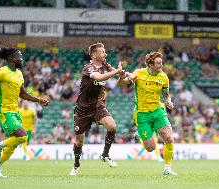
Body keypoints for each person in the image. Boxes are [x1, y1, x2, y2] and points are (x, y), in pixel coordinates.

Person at [0, 47, 49, 177]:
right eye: (20, 56)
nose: (22, 59)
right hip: (3, 110)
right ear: (12, 58)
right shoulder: (2, 72)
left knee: (14, 141)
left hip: (15, 110)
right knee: (23, 136)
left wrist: (38, 100)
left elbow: (22, 93)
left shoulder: (19, 73)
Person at [118, 52, 177, 176]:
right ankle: (139, 135)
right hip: (142, 114)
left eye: (161, 62)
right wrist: (125, 77)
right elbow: (123, 83)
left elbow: (165, 94)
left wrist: (168, 101)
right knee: (150, 148)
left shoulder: (164, 77)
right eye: (158, 63)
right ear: (150, 64)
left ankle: (167, 168)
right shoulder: (139, 73)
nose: (161, 65)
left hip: (157, 111)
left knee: (169, 138)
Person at [69, 43, 123, 176]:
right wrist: (116, 72)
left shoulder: (106, 65)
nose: (105, 54)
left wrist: (128, 76)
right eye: (102, 52)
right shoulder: (88, 68)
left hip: (98, 106)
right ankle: (76, 164)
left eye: (105, 51)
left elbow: (119, 74)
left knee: (112, 127)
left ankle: (105, 155)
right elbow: (99, 77)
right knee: (79, 141)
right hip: (83, 109)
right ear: (94, 55)